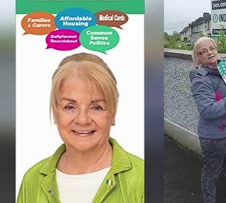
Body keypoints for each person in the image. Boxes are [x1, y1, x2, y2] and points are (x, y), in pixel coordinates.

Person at [17, 52, 144, 203]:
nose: (82, 120)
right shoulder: (32, 180)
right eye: (70, 107)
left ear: (113, 113)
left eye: (96, 107)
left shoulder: (143, 179)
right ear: (55, 112)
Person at [190, 37, 226, 203]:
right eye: (203, 51)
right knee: (211, 173)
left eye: (212, 48)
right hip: (214, 136)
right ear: (198, 58)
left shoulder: (225, 66)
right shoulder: (201, 79)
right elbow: (208, 111)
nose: (209, 52)